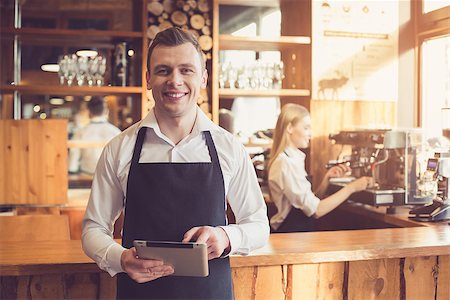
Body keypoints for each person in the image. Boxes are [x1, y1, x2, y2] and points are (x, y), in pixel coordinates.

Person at [82, 27, 270, 299]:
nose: (175, 80)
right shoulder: (119, 148)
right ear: (148, 78)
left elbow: (259, 225)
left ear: (203, 78)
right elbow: (93, 229)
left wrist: (227, 237)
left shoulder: (229, 148)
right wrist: (120, 258)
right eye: (163, 70)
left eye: (186, 70)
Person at [267, 103, 374, 233]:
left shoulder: (292, 159)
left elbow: (307, 204)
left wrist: (326, 180)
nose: (310, 134)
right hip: (290, 234)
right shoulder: (285, 164)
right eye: (306, 128)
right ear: (289, 128)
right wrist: (352, 187)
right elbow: (316, 210)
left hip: (299, 233)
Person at [68, 97, 121, 175]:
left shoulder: (81, 132)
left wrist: (72, 171)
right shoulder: (116, 132)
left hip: (86, 176)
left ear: (89, 112)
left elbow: (73, 159)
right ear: (106, 111)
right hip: (110, 177)